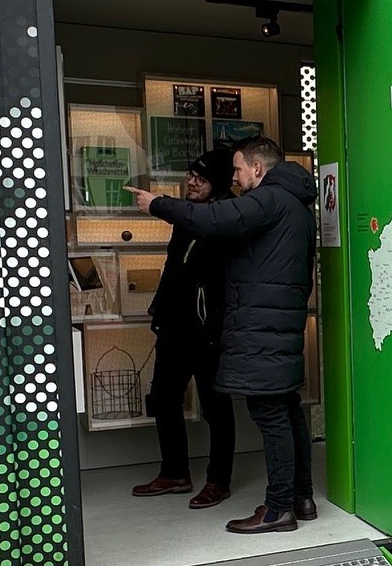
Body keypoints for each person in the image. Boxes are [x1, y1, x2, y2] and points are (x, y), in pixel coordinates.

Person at [127, 136, 318, 534]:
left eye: (237, 169)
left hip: (263, 327)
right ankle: (301, 496)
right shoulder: (293, 204)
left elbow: (213, 220)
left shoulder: (270, 199)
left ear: (257, 169)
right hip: (277, 324)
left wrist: (157, 204)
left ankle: (279, 507)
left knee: (271, 414)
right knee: (286, 410)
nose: (235, 176)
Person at [131, 148, 237, 507]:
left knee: (215, 409)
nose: (192, 181)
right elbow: (174, 269)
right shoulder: (187, 217)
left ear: (219, 182)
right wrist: (160, 312)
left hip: (210, 334)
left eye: (201, 177)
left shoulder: (228, 218)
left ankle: (218, 482)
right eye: (191, 174)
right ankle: (174, 473)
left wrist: (217, 328)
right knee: (163, 400)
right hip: (175, 329)